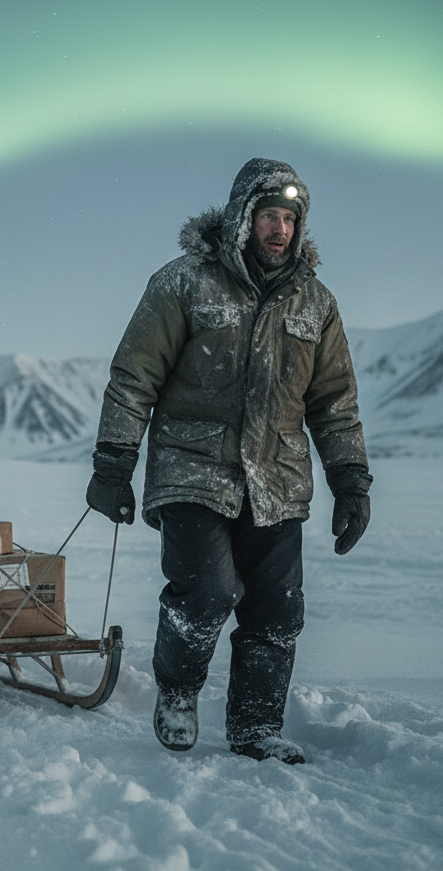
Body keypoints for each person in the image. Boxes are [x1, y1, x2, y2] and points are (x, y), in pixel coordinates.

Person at [86, 158, 371, 764]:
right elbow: (135, 377)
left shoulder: (315, 303)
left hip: (277, 481)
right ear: (243, 217)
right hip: (192, 469)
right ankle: (178, 693)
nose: (280, 229)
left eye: (289, 219)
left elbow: (334, 402)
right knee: (207, 591)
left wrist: (350, 481)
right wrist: (113, 463)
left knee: (277, 611)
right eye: (269, 215)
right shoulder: (184, 282)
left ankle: (256, 728)